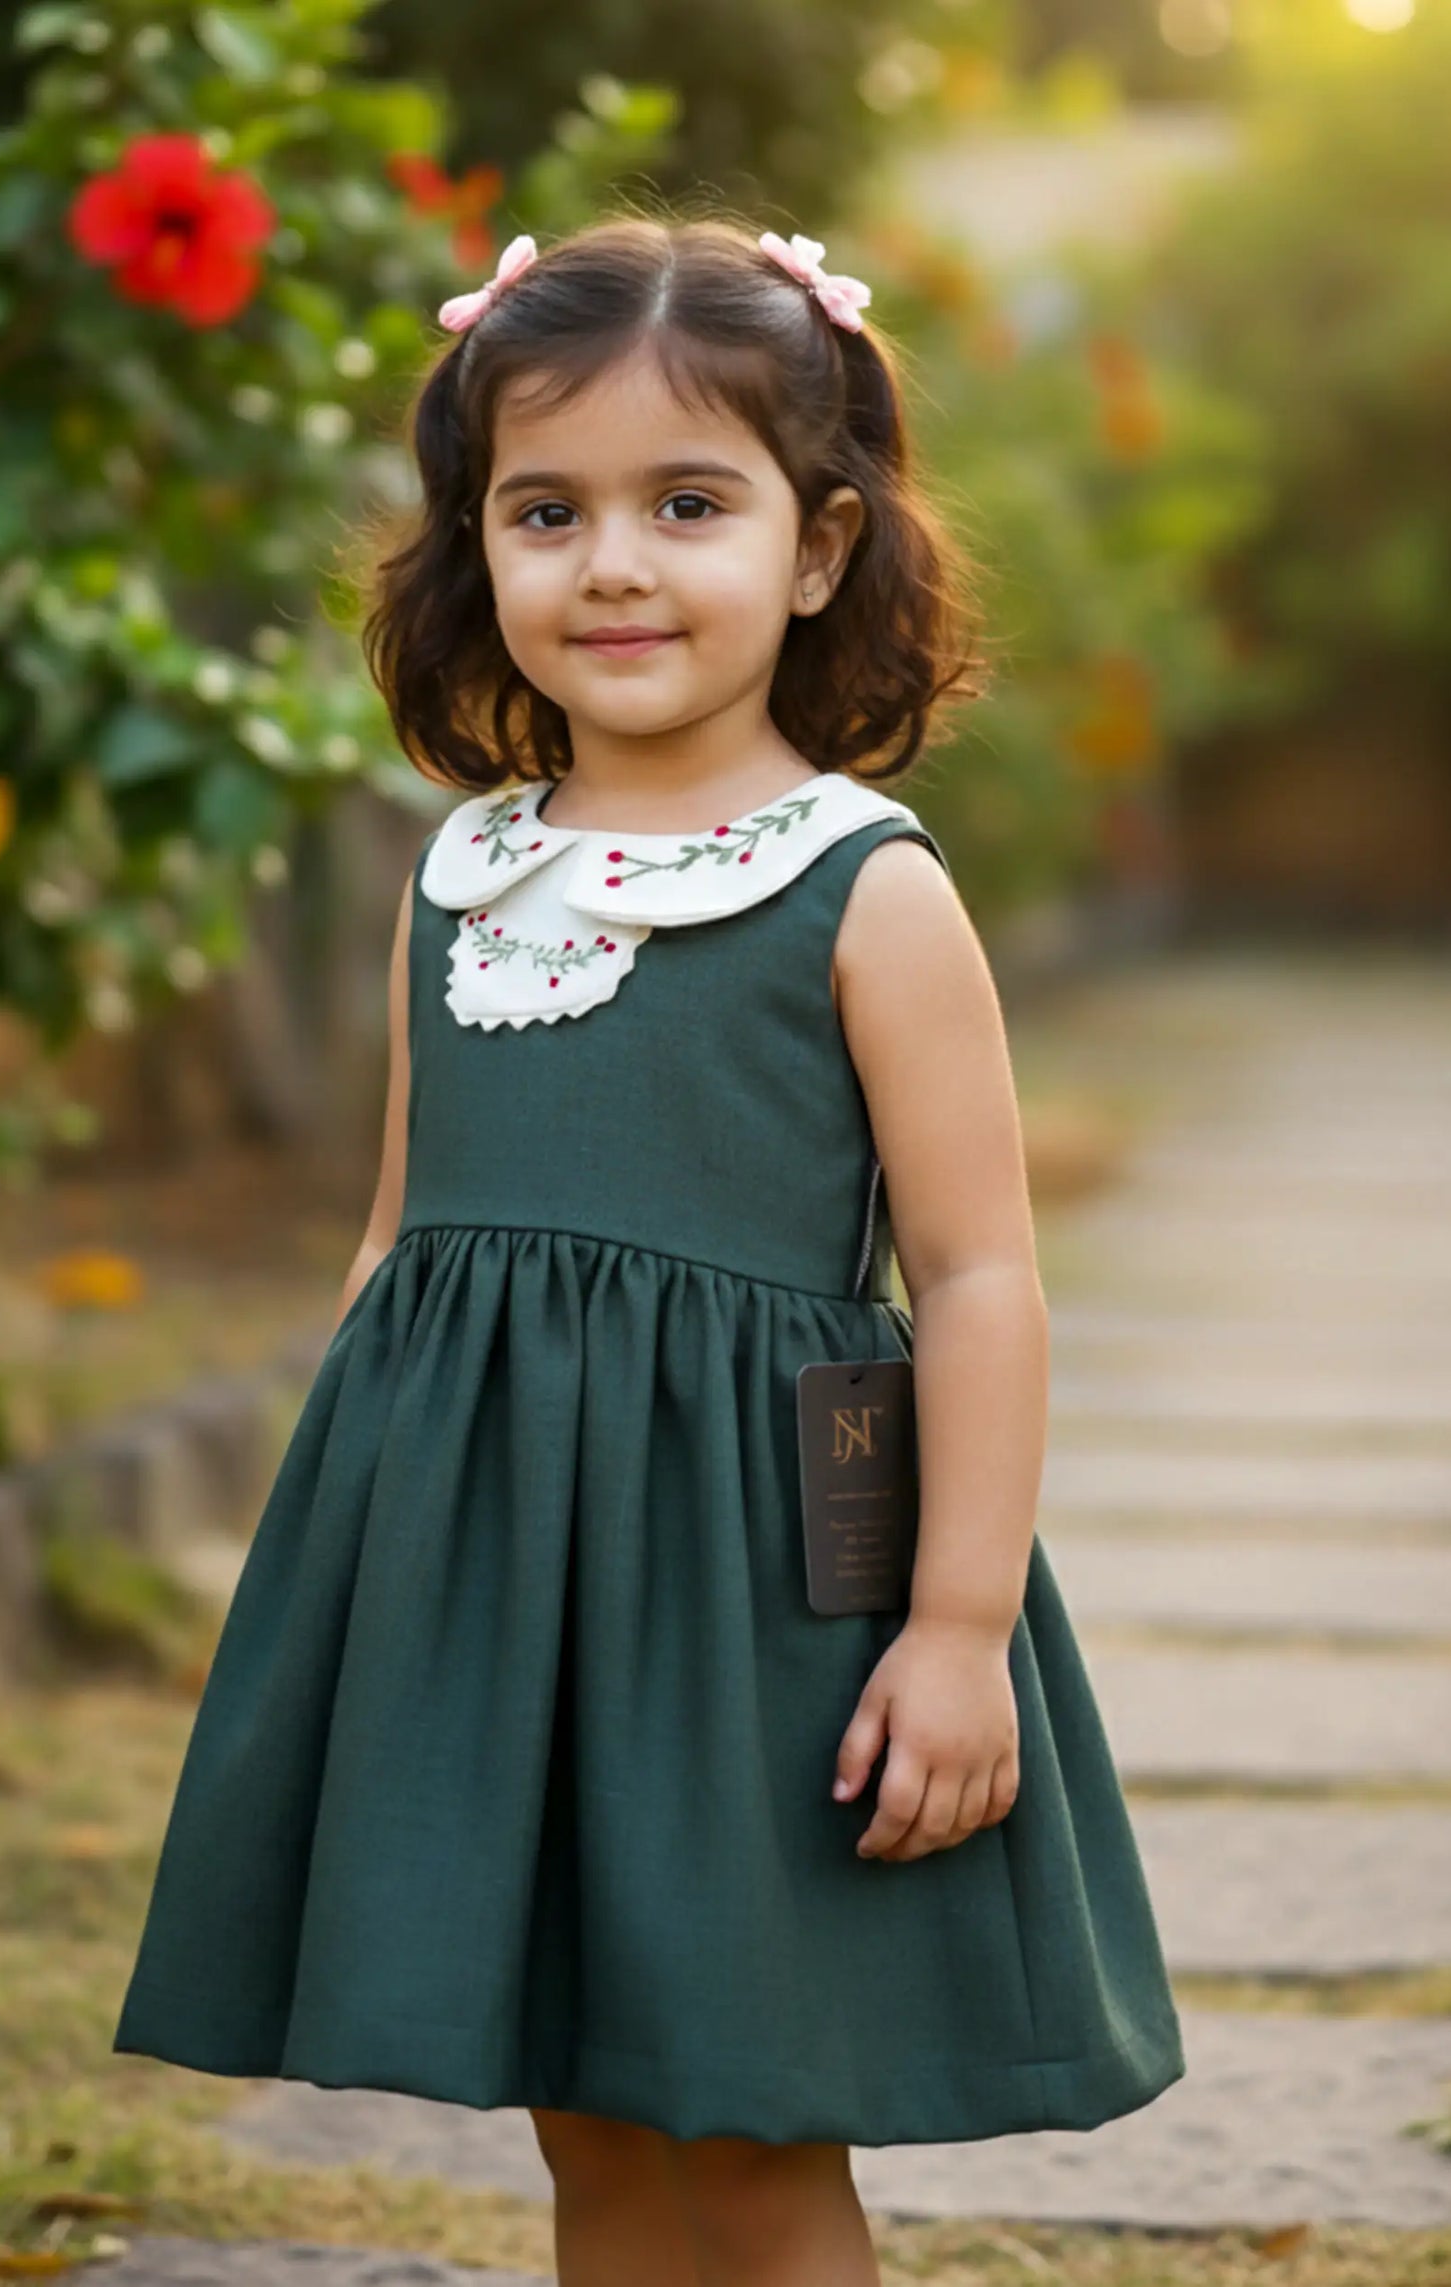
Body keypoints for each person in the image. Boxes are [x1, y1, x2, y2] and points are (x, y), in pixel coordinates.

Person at [113, 212, 1182, 2286]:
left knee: (762, 2143)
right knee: (588, 2140)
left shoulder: (857, 890)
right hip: (501, 1605)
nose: (610, 563)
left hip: (754, 1618)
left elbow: (975, 1276)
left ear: (814, 546)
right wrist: (348, 1590)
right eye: (545, 508)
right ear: (473, 547)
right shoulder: (463, 874)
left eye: (686, 502)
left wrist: (955, 1629)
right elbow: (400, 1242)